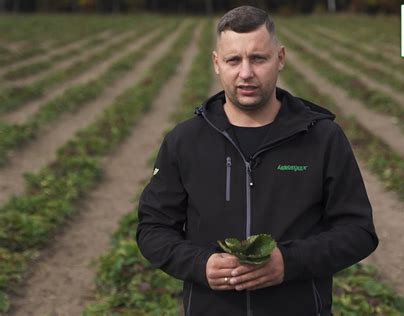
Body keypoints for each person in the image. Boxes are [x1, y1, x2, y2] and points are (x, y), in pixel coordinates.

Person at [136, 5, 378, 316]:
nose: (246, 73)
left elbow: (358, 231)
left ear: (280, 59)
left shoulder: (322, 138)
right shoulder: (185, 141)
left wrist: (288, 263)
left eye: (258, 58)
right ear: (216, 63)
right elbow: (153, 229)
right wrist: (201, 264)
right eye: (233, 60)